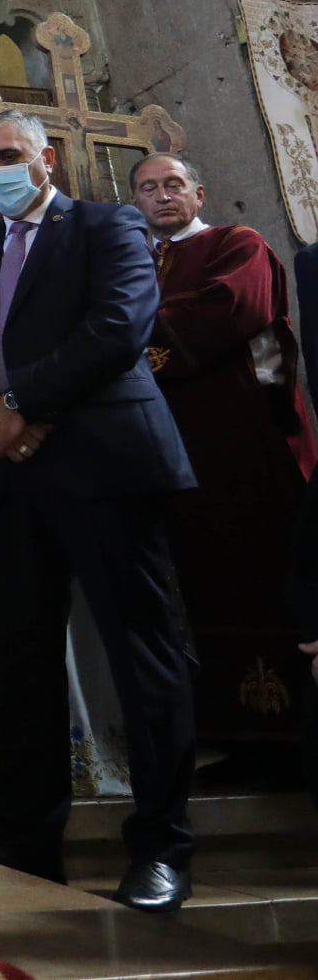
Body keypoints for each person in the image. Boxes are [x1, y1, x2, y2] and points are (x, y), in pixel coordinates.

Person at [0, 109, 197, 912]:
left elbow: (116, 328)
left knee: (141, 652)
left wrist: (18, 405)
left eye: (8, 155)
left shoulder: (107, 226)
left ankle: (161, 846)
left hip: (103, 462)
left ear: (45, 157)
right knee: (21, 659)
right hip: (8, 475)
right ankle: (24, 837)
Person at [132, 153, 315, 748]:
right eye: (148, 189)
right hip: (167, 450)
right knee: (196, 581)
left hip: (243, 441)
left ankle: (287, 734)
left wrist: (120, 341)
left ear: (199, 193)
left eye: (173, 184)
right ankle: (220, 732)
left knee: (262, 572)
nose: (162, 196)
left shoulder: (236, 243)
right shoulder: (134, 261)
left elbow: (231, 309)